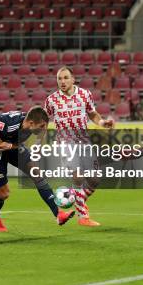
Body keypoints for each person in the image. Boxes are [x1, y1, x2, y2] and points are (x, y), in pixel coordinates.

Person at [0, 105, 75, 231]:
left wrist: (10, 146)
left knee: (37, 174)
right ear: (31, 123)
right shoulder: (7, 124)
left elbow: (21, 139)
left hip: (11, 148)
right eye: (42, 126)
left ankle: (58, 214)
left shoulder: (30, 122)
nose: (44, 129)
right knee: (4, 193)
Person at [44, 66, 115, 227]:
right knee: (77, 176)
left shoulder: (85, 94)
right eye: (59, 79)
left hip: (83, 140)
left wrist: (103, 123)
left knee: (95, 180)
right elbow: (43, 120)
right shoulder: (51, 100)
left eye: (65, 78)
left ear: (73, 79)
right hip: (65, 141)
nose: (62, 81)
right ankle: (83, 216)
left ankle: (77, 198)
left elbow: (92, 114)